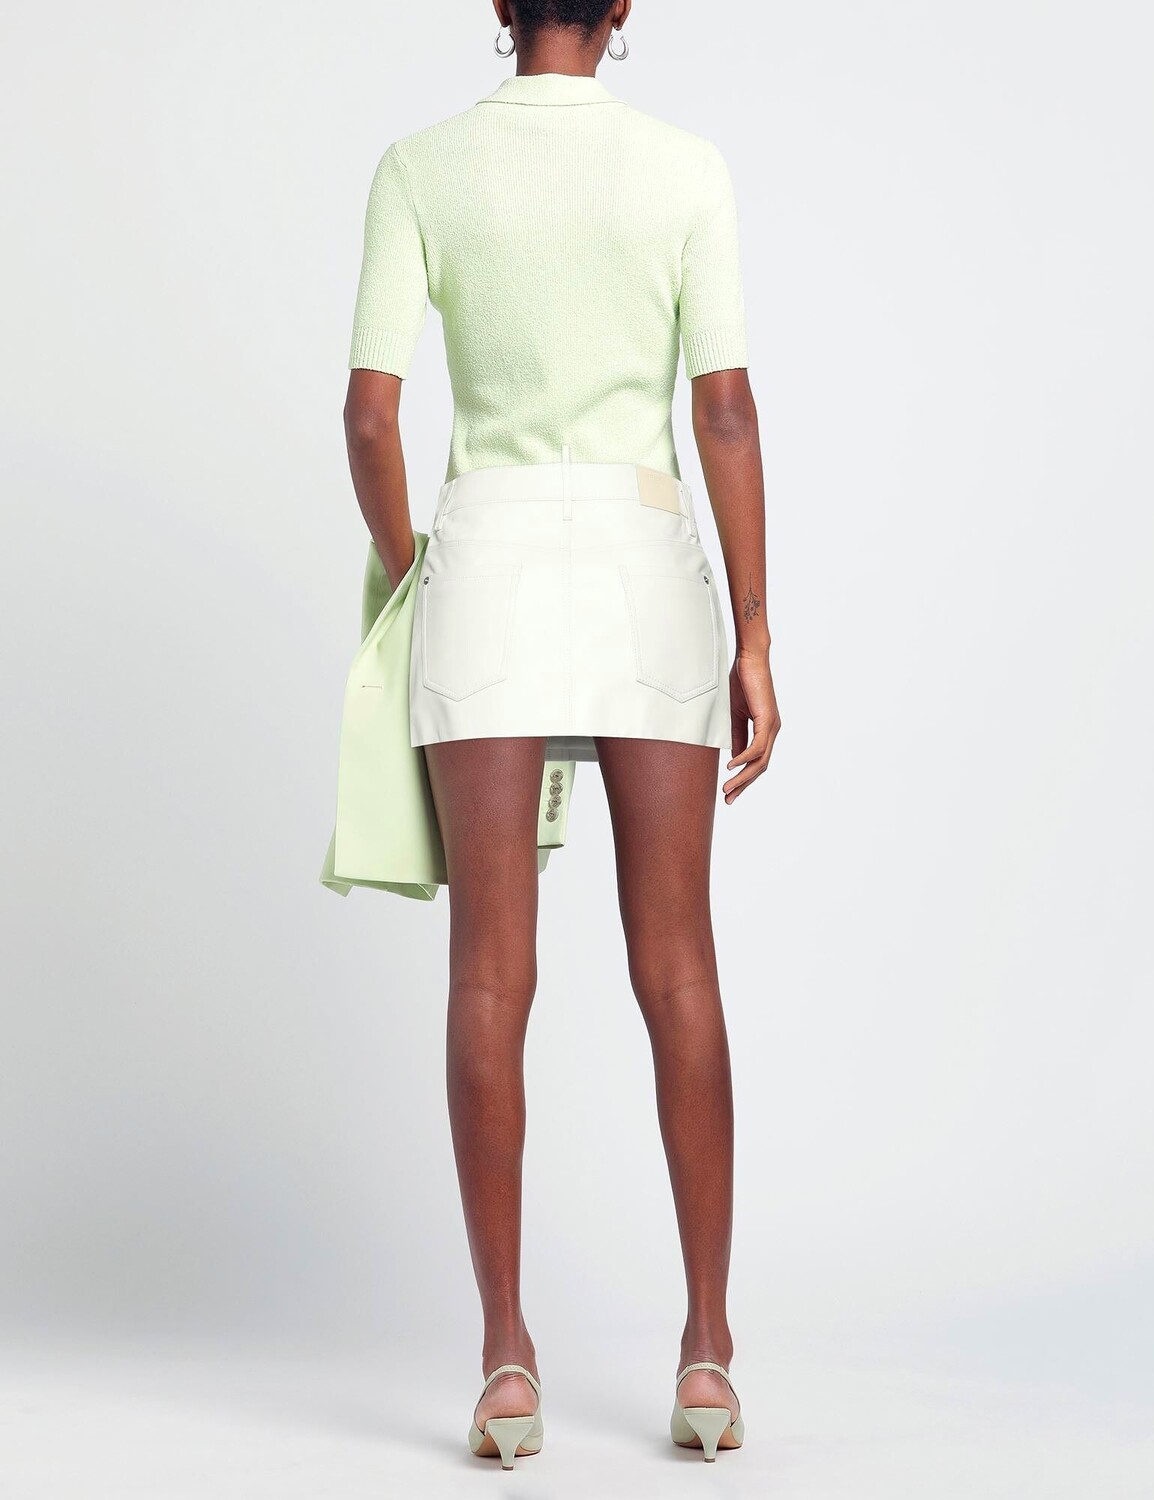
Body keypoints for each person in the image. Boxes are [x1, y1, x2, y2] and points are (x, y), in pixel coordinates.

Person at [341, 0, 778, 1467]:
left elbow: (368, 413)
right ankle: (707, 1354)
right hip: (645, 560)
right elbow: (724, 410)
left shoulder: (422, 165)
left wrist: (413, 569)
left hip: (490, 560)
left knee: (489, 973)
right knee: (678, 962)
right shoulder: (683, 168)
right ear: (623, 6)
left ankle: (505, 1362)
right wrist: (755, 630)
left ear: (497, 6)